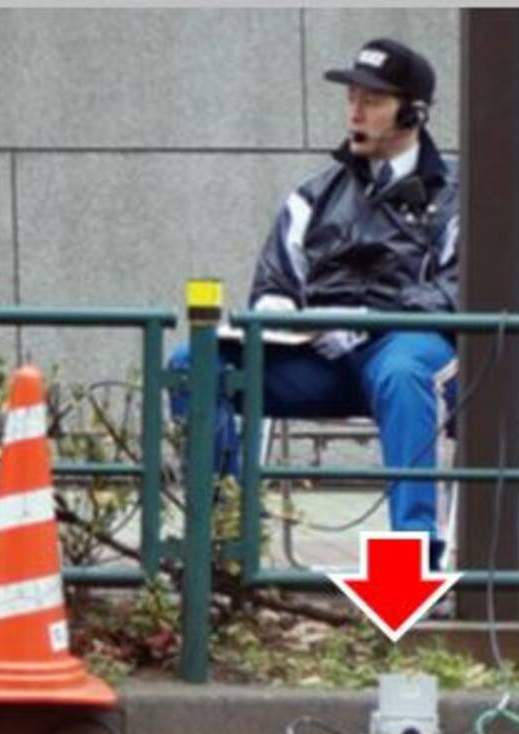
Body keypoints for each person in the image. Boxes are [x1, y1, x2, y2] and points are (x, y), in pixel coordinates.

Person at [169, 38, 459, 571]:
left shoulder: (460, 195)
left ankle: (415, 567)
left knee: (404, 372)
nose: (355, 112)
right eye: (351, 98)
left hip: (407, 350)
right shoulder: (312, 194)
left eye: (372, 101)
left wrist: (371, 321)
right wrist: (284, 319)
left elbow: (459, 288)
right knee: (194, 363)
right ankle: (223, 543)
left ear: (412, 113)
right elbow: (274, 282)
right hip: (321, 357)